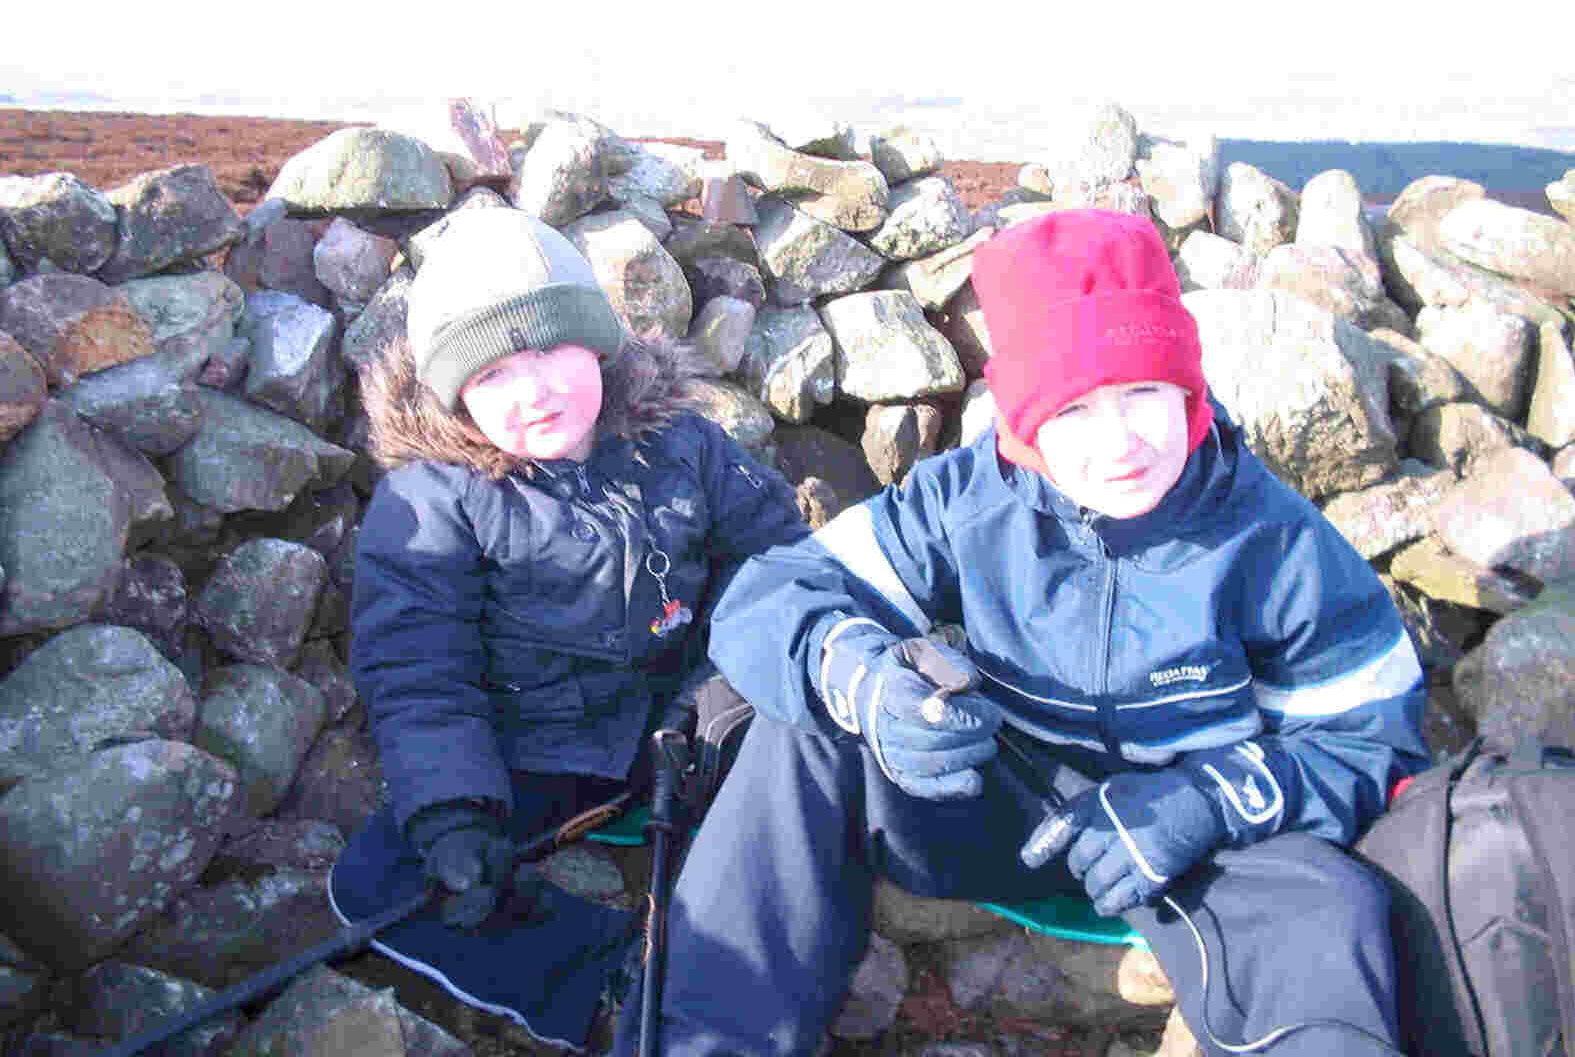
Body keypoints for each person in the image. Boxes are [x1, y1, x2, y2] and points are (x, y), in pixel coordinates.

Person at [617, 209, 1430, 1056]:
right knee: (802, 731)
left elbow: (1375, 744)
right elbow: (768, 597)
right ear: (1022, 418)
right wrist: (869, 687)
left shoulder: (1277, 540)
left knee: (1330, 905)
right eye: (1075, 409)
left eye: (1145, 393)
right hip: (1006, 805)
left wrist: (1207, 801)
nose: (1120, 444)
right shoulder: (970, 498)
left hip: (1203, 851)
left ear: (1188, 388)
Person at [327, 207, 808, 1048]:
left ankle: (761, 959)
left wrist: (719, 690)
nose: (537, 389)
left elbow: (775, 559)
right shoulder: (428, 500)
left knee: (800, 764)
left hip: (686, 724)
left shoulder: (683, 441)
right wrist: (452, 816)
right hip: (536, 749)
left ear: (599, 346)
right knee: (379, 883)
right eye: (497, 372)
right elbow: (418, 670)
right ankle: (604, 976)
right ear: (455, 392)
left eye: (553, 350)